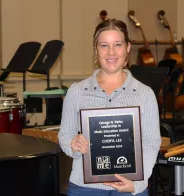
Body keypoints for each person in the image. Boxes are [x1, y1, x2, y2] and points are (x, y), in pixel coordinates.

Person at [58, 19, 161, 196]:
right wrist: (73, 145)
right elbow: (65, 136)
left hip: (130, 187)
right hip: (84, 188)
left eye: (118, 45)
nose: (111, 52)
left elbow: (151, 144)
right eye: (104, 45)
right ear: (95, 50)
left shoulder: (145, 94)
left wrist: (138, 184)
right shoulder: (76, 92)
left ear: (128, 48)